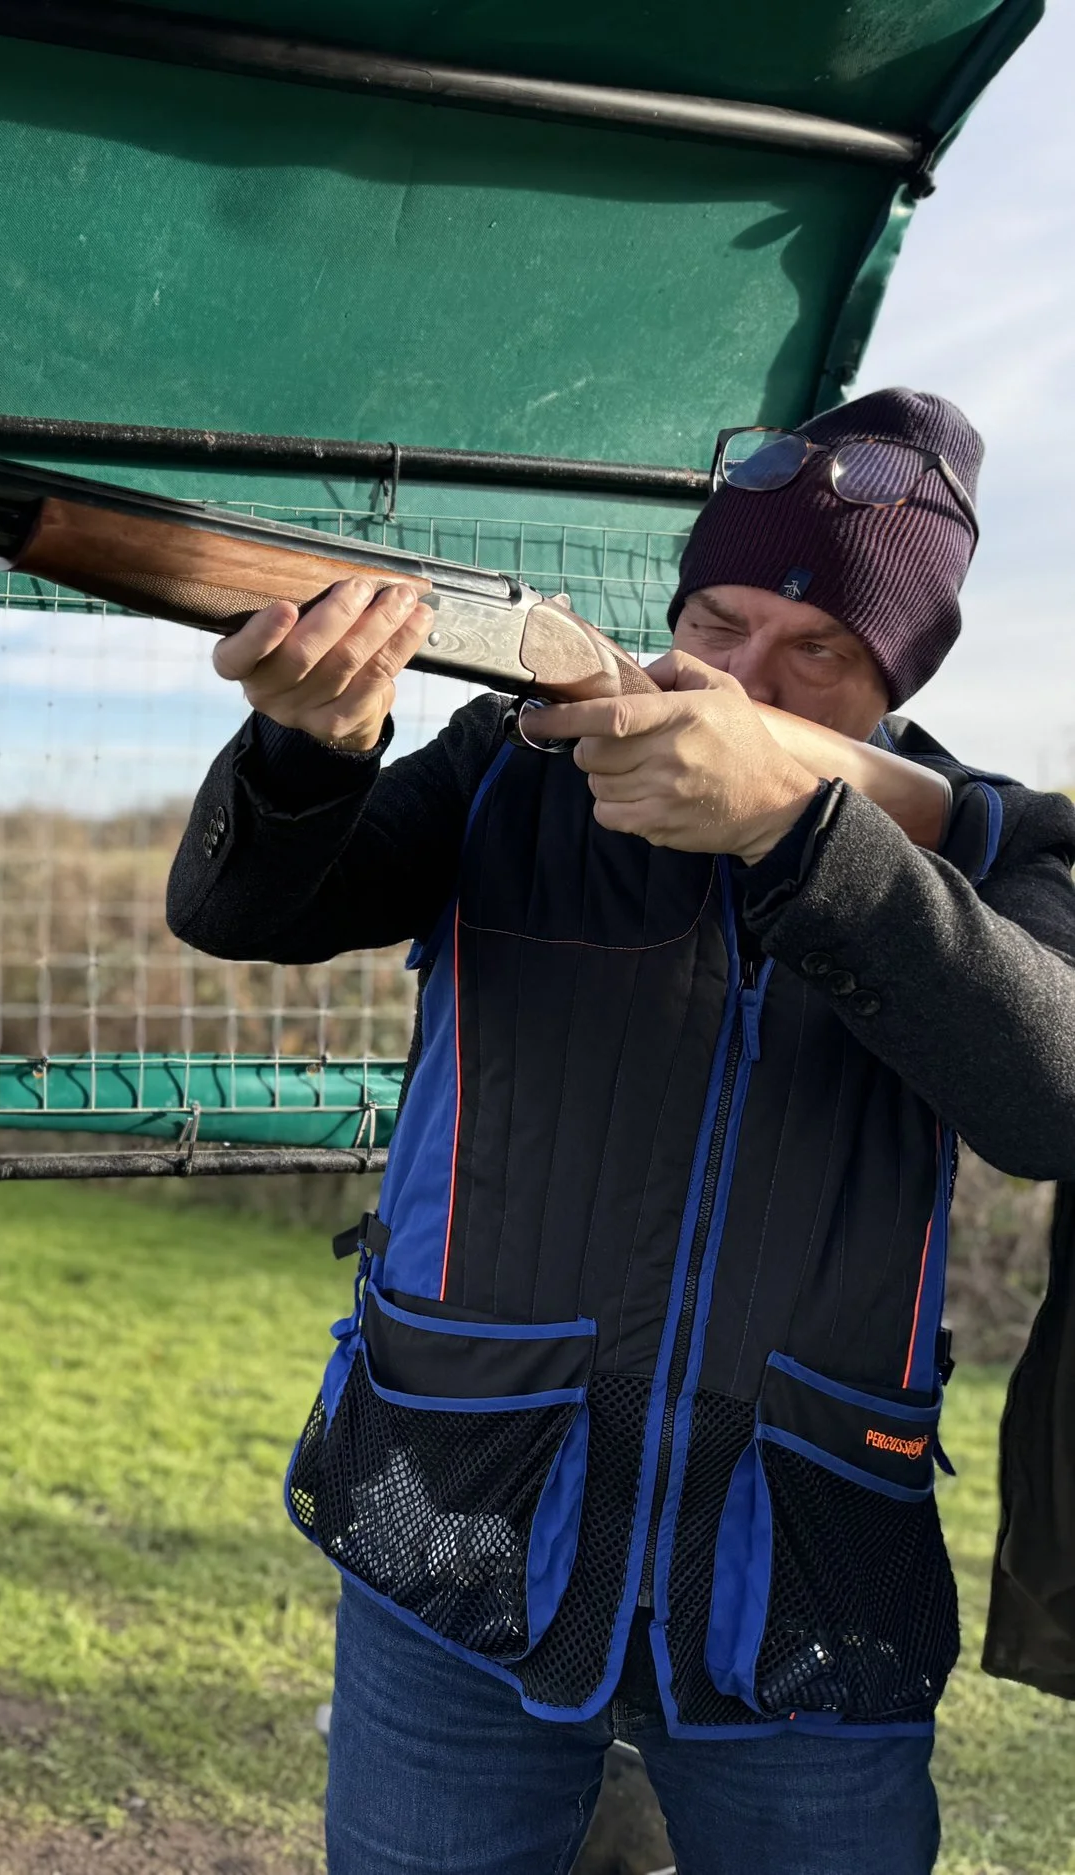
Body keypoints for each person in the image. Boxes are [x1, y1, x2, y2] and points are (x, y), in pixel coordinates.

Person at [164, 388, 1075, 1875]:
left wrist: (805, 832)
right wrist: (307, 751)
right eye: (717, 623)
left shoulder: (995, 843)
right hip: (458, 1520)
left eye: (819, 653)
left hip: (802, 1589)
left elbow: (1052, 1095)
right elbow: (246, 908)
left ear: (902, 673)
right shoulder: (510, 759)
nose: (743, 678)